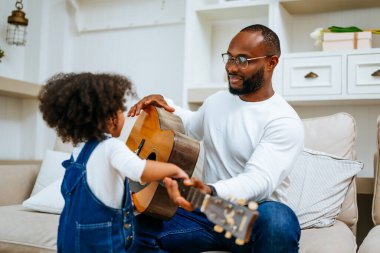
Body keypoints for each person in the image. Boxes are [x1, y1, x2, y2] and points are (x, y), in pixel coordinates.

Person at [128, 24, 304, 253]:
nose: (231, 67)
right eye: (229, 58)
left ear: (271, 62)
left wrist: (210, 190)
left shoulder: (283, 120)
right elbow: (190, 127)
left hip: (251, 217)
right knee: (133, 228)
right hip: (210, 211)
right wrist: (164, 103)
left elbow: (259, 181)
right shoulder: (217, 102)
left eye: (242, 60)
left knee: (279, 220)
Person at [38, 72, 189, 253]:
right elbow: (140, 170)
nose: (124, 115)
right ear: (110, 117)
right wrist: (172, 168)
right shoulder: (112, 147)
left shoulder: (77, 153)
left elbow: (98, 192)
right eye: (119, 109)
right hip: (104, 245)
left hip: (69, 242)